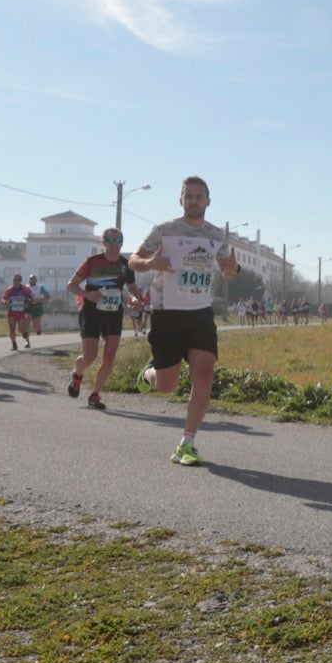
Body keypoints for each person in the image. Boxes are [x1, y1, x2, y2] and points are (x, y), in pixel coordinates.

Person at [128, 177, 240, 465]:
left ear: (208, 201)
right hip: (167, 312)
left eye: (198, 196)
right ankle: (148, 374)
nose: (193, 200)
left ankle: (187, 443)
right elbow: (134, 260)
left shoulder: (216, 236)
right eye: (188, 196)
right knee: (167, 385)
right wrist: (150, 263)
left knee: (204, 375)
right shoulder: (164, 231)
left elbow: (229, 268)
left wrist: (231, 270)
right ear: (181, 200)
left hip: (200, 312)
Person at [65, 227, 139, 410]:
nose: (115, 245)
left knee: (110, 356)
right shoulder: (92, 262)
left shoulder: (126, 264)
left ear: (122, 242)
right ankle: (78, 372)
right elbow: (71, 285)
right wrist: (87, 295)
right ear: (103, 243)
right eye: (111, 241)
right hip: (91, 310)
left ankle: (95, 394)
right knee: (90, 356)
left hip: (114, 312)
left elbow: (132, 290)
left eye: (118, 241)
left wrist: (135, 299)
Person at [2, 274, 34, 350]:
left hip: (21, 312)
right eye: (14, 280)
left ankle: (24, 333)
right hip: (11, 311)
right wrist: (4, 303)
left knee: (21, 329)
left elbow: (33, 298)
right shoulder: (9, 289)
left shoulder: (25, 289)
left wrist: (28, 303)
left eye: (17, 280)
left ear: (20, 281)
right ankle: (14, 345)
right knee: (11, 329)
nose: (15, 282)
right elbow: (3, 299)